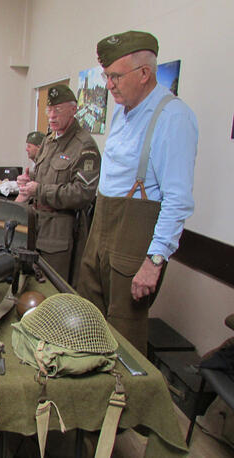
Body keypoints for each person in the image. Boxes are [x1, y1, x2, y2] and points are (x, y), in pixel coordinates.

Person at [77, 30, 198, 354]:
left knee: (123, 338)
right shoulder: (123, 111)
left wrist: (154, 261)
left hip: (132, 241)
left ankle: (122, 401)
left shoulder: (173, 117)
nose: (109, 84)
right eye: (106, 76)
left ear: (144, 73)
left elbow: (177, 200)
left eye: (115, 76)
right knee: (89, 320)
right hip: (102, 227)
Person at [16, 85, 100, 285]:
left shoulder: (84, 145)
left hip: (60, 232)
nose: (52, 116)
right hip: (36, 225)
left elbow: (83, 193)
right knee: (30, 284)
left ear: (73, 110)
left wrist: (40, 190)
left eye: (58, 110)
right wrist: (29, 179)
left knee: (53, 288)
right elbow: (47, 173)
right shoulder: (49, 140)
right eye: (49, 111)